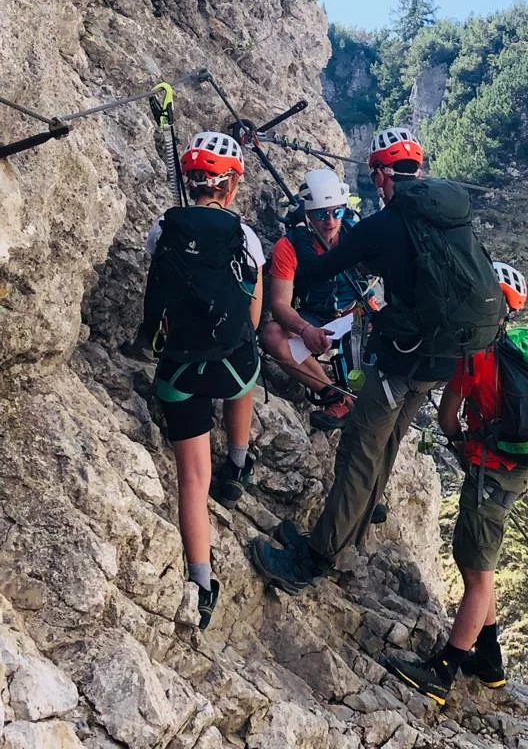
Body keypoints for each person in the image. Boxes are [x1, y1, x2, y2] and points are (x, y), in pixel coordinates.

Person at [249, 127, 503, 594]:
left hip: (402, 361)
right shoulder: (448, 218)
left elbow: (319, 270)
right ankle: (350, 534)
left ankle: (316, 557)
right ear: (418, 171)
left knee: (359, 453)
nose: (378, 185)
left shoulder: (383, 226)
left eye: (377, 177)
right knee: (385, 448)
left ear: (384, 174)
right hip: (446, 361)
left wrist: (296, 238)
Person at [384, 262, 528, 706]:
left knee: (476, 573)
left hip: (492, 474)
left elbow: (447, 417)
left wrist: (461, 442)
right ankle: (488, 659)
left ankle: (443, 671)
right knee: (477, 561)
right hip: (514, 472)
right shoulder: (521, 349)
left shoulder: (476, 356)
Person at [144, 131, 264, 629]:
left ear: (189, 182)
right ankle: (237, 463)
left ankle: (201, 582)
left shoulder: (161, 229)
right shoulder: (248, 238)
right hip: (231, 368)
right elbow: (252, 322)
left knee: (192, 478)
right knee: (247, 373)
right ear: (231, 185)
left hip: (178, 368)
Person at [261, 168, 366, 431]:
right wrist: (306, 330)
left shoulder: (357, 235)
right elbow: (280, 303)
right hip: (315, 315)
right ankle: (334, 396)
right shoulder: (290, 247)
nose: (330, 221)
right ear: (307, 215)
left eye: (336, 212)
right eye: (321, 214)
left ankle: (360, 400)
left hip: (354, 313)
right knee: (272, 335)